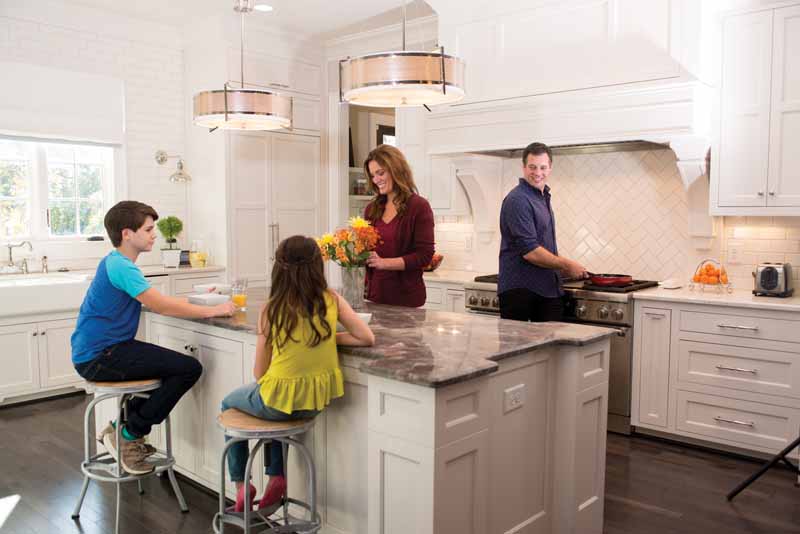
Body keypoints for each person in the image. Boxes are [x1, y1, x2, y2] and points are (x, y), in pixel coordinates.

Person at [71, 201, 237, 475]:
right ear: (127, 233)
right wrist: (212, 310)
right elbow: (160, 306)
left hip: (101, 352)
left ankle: (118, 429)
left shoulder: (117, 263)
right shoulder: (122, 266)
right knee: (188, 368)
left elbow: (157, 300)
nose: (153, 235)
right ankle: (128, 435)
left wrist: (200, 297)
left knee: (177, 368)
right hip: (101, 356)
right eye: (148, 230)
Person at [220, 235, 375, 512]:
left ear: (278, 269)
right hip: (315, 403)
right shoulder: (331, 299)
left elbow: (259, 372)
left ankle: (243, 485)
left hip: (279, 402)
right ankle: (277, 476)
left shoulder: (272, 309)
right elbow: (365, 337)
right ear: (318, 267)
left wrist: (318, 340)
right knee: (278, 404)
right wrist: (325, 338)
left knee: (230, 402)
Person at [498, 142, 587, 322]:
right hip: (522, 292)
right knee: (521, 350)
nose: (538, 173)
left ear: (550, 168)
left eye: (542, 167)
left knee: (549, 349)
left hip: (545, 289)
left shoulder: (541, 196)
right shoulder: (518, 200)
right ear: (523, 167)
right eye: (532, 167)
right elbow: (531, 252)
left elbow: (543, 245)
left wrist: (561, 267)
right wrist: (567, 265)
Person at [362, 144, 435, 308]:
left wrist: (384, 263)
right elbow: (367, 253)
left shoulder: (419, 206)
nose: (376, 180)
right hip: (374, 297)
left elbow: (425, 255)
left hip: (407, 300)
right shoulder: (371, 210)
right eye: (373, 175)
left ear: (396, 169)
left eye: (381, 173)